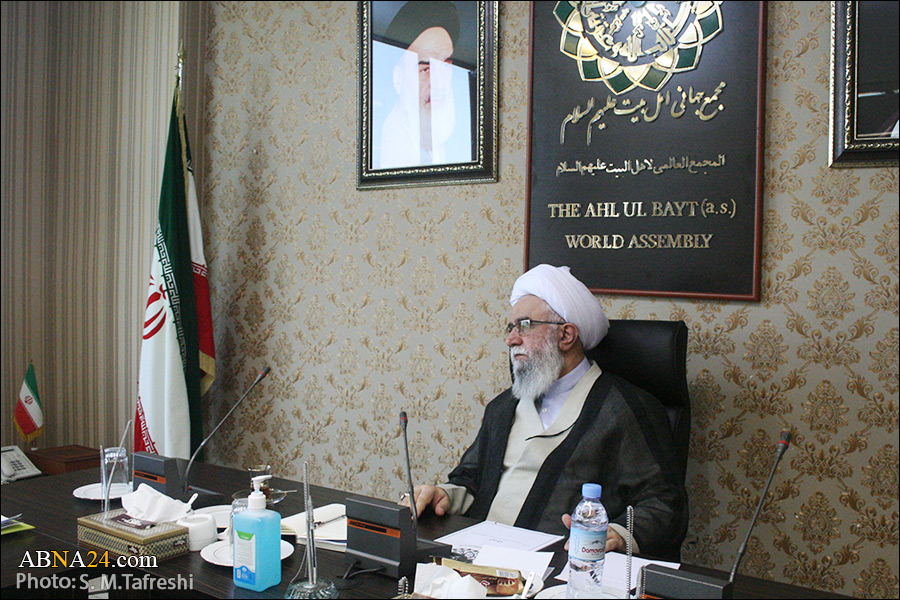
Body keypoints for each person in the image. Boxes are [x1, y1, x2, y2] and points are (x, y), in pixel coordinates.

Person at [401, 264, 688, 560]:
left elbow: (665, 505)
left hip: (561, 571)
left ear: (566, 336)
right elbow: (470, 478)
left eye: (524, 326)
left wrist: (615, 534)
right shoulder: (503, 407)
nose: (511, 339)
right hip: (475, 561)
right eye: (510, 328)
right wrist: (444, 494)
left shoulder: (625, 409)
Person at [376, 1, 465, 169]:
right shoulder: (384, 145)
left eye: (445, 66)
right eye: (426, 69)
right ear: (398, 78)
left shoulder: (455, 142)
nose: (439, 84)